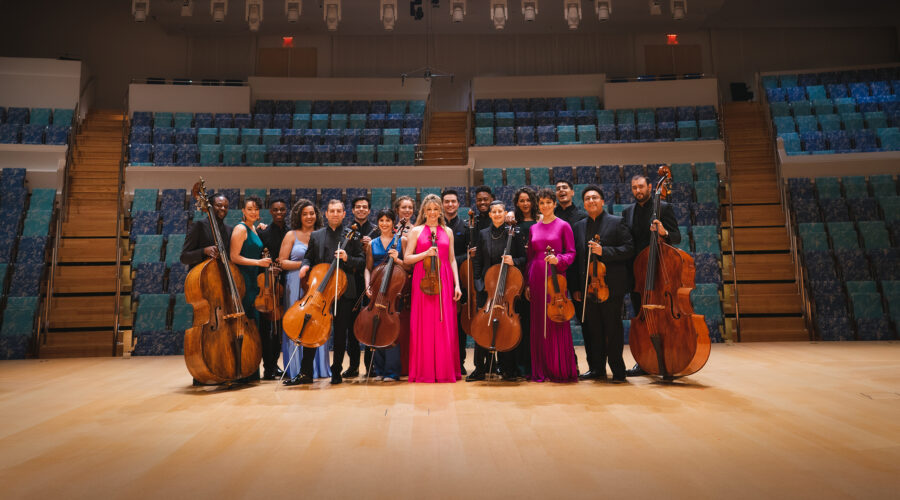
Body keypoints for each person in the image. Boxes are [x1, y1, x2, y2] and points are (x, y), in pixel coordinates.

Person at [293, 200, 365, 385]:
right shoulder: (316, 236)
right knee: (312, 329)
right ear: (326, 214)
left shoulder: (353, 235)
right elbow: (308, 257)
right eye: (331, 211)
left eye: (338, 211)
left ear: (343, 214)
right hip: (321, 292)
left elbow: (361, 261)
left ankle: (336, 371)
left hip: (344, 291)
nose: (335, 214)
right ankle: (306, 372)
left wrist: (348, 258)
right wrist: (305, 266)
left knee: (341, 333)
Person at [570, 185, 634, 383]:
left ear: (603, 201)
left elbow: (629, 249)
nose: (591, 201)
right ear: (584, 203)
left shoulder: (617, 222)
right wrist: (576, 288)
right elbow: (576, 258)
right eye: (587, 198)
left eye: (595, 197)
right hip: (587, 288)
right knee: (593, 331)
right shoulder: (579, 226)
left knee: (613, 331)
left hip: (610, 287)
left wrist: (604, 251)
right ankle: (596, 368)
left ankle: (618, 371)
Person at [621, 174, 682, 377]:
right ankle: (644, 361)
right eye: (634, 187)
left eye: (641, 186)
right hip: (638, 275)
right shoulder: (627, 212)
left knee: (663, 318)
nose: (638, 190)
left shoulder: (663, 208)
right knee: (642, 318)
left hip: (659, 273)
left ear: (649, 187)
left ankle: (668, 356)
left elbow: (677, 237)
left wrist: (663, 232)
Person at [403, 194, 463, 383]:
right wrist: (425, 253)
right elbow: (407, 258)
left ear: (440, 211)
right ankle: (424, 370)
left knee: (443, 323)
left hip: (444, 278)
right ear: (424, 211)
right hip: (423, 281)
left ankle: (445, 371)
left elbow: (452, 259)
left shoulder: (448, 231)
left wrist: (457, 284)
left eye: (436, 209)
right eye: (429, 209)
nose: (432, 213)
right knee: (425, 325)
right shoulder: (416, 231)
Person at [469, 201, 526, 381]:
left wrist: (514, 261)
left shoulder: (514, 233)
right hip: (487, 290)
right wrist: (479, 285)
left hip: (507, 287)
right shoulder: (483, 233)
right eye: (494, 211)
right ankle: (480, 368)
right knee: (481, 326)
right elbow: (477, 261)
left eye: (500, 211)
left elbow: (524, 258)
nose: (497, 214)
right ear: (491, 214)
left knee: (506, 327)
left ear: (505, 213)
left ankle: (507, 368)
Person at [526, 188, 578, 383]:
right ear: (538, 206)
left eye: (549, 202)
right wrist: (527, 283)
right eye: (541, 203)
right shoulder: (533, 228)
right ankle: (540, 369)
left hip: (556, 278)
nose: (545, 206)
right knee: (539, 323)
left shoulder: (564, 225)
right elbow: (531, 257)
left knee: (556, 320)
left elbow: (571, 252)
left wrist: (559, 259)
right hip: (536, 277)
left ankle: (558, 368)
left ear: (554, 204)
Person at [280, 199, 332, 385]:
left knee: (317, 323)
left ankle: (317, 368)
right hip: (295, 282)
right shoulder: (291, 235)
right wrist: (305, 265)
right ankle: (295, 369)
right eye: (305, 214)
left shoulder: (322, 234)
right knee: (295, 323)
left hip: (317, 284)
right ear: (298, 216)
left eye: (312, 213)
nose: (309, 217)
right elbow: (282, 262)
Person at [363, 209, 407, 381]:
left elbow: (408, 267)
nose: (384, 223)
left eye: (388, 220)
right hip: (376, 291)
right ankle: (379, 369)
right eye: (381, 220)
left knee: (392, 329)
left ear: (393, 222)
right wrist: (367, 286)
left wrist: (397, 259)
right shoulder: (372, 244)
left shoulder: (402, 240)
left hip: (394, 291)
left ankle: (392, 371)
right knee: (377, 327)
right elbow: (368, 268)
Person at [257, 198, 288, 380]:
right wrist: (269, 269)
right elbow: (260, 257)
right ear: (270, 211)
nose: (278, 213)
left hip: (285, 284)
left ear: (286, 212)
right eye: (275, 210)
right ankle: (268, 366)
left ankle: (275, 364)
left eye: (282, 210)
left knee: (278, 330)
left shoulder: (290, 232)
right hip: (267, 285)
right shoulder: (263, 233)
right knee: (268, 329)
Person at [345, 196, 376, 378]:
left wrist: (368, 249)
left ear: (369, 210)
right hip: (352, 282)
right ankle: (354, 365)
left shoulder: (377, 230)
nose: (361, 210)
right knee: (352, 326)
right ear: (353, 210)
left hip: (372, 282)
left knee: (372, 325)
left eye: (365, 207)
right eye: (358, 207)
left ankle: (370, 365)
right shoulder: (347, 231)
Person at [229, 196, 272, 327]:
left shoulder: (254, 228)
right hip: (243, 278)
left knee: (252, 318)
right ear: (243, 211)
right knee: (245, 317)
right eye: (250, 209)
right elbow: (234, 257)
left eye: (256, 209)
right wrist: (258, 263)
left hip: (253, 278)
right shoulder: (240, 229)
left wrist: (260, 228)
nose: (253, 212)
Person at [442, 188, 470, 375]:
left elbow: (467, 256)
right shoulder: (437, 227)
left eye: (453, 201)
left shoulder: (466, 227)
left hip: (459, 280)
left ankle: (459, 362)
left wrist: (451, 260)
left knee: (459, 324)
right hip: (439, 279)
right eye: (447, 201)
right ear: (442, 204)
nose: (450, 204)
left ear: (458, 204)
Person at [512, 187, 538, 378]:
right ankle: (519, 364)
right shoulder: (514, 224)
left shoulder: (539, 222)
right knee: (519, 321)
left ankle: (533, 364)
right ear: (517, 203)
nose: (525, 203)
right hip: (516, 278)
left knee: (533, 322)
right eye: (521, 200)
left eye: (528, 200)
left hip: (535, 275)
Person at [180, 192, 232, 268]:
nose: (223, 208)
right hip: (201, 276)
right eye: (219, 205)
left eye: (226, 206)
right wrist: (204, 251)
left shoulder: (229, 230)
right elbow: (184, 258)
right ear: (210, 207)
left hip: (222, 276)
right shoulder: (198, 226)